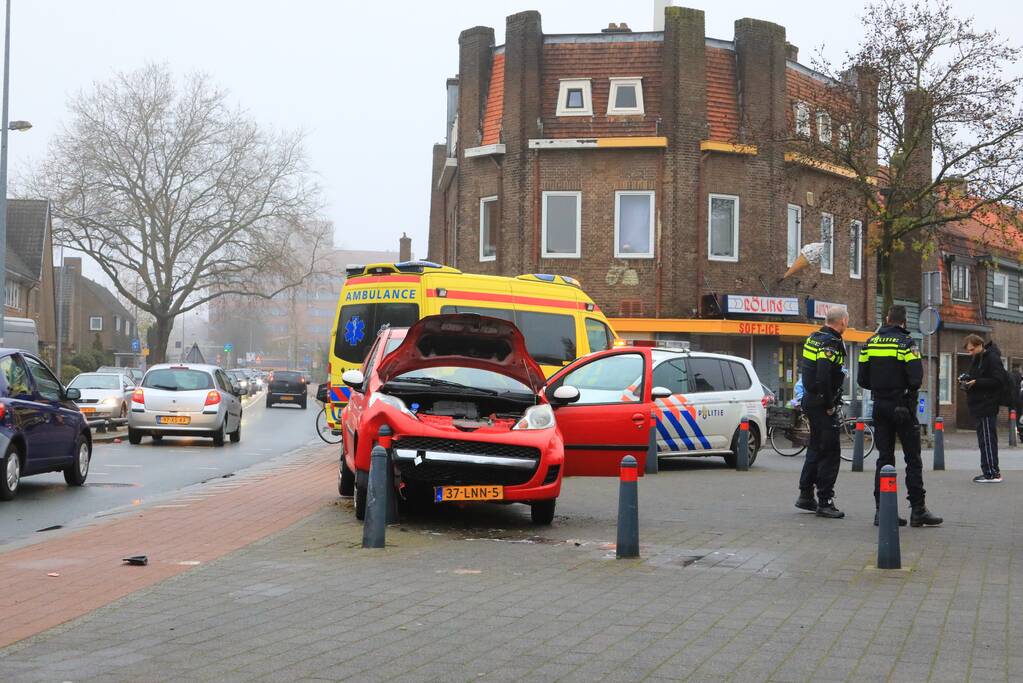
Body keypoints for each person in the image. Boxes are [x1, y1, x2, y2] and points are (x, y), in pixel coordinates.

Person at [858, 306, 942, 527]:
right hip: (902, 407)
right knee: (912, 459)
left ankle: (882, 511)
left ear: (887, 319)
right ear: (904, 322)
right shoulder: (907, 343)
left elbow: (862, 380)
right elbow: (916, 378)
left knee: (884, 459)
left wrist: (881, 387)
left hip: (880, 406)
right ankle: (918, 510)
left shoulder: (871, 342)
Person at [796, 306, 848, 519]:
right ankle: (825, 500)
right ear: (842, 321)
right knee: (830, 452)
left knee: (816, 447)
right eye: (847, 321)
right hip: (821, 402)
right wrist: (829, 403)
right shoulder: (831, 343)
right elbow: (824, 376)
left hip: (810, 399)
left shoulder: (814, 337)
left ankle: (806, 494)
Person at [961, 334, 1004, 482]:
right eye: (968, 351)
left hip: (987, 406)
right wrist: (967, 379)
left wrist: (976, 382)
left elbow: (998, 381)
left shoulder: (992, 359)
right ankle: (989, 471)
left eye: (972, 350)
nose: (970, 353)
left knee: (987, 440)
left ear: (980, 345)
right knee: (984, 441)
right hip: (980, 406)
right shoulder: (977, 359)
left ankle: (992, 473)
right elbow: (976, 377)